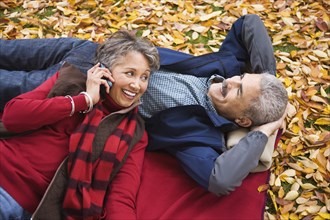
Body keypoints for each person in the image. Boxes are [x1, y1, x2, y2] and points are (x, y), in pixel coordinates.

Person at [0, 14, 287, 200]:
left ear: (243, 119)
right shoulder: (225, 66)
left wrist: (266, 130)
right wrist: (267, 76)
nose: (232, 81)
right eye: (241, 78)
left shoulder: (198, 136)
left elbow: (220, 180)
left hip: (70, 85)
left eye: (239, 90)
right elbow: (248, 24)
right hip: (85, 50)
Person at [0, 31, 160, 219]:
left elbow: (121, 194)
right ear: (105, 71)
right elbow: (13, 116)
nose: (136, 85)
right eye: (130, 73)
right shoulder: (72, 82)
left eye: (144, 77)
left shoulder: (134, 132)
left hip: (34, 208)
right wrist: (83, 101)